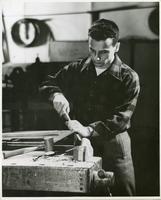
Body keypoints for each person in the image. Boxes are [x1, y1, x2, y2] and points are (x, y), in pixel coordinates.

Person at [39, 19, 140, 196]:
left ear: (117, 47)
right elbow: (48, 82)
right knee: (81, 191)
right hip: (80, 140)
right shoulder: (77, 68)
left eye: (104, 52)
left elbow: (122, 119)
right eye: (92, 50)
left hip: (113, 144)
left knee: (122, 193)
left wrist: (89, 129)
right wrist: (56, 94)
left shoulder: (129, 77)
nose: (97, 58)